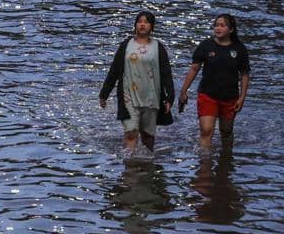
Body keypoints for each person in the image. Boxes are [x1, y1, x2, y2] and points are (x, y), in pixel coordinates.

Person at [99, 11, 175, 152]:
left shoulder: (158, 47)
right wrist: (104, 94)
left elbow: (166, 74)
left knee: (147, 135)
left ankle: (147, 162)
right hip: (128, 96)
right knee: (131, 132)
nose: (142, 24)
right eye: (139, 21)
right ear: (135, 25)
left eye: (146, 22)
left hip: (151, 97)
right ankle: (129, 164)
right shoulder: (126, 45)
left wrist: (170, 97)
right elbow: (114, 71)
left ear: (152, 27)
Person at [177, 14, 250, 151]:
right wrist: (183, 91)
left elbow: (245, 74)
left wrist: (242, 97)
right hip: (207, 94)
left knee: (226, 131)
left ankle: (227, 157)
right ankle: (205, 162)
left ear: (231, 29)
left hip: (230, 97)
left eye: (222, 25)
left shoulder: (239, 49)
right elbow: (194, 68)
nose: (218, 28)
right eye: (216, 25)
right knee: (206, 129)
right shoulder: (206, 46)